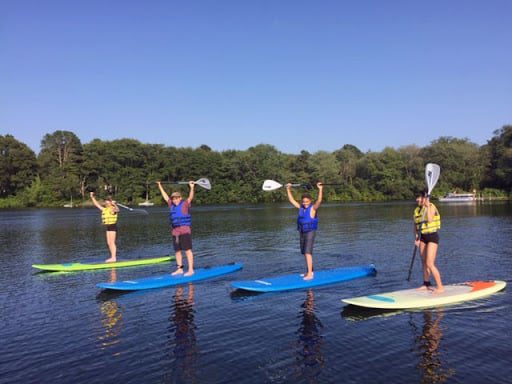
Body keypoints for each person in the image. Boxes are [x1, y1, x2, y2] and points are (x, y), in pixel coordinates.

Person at [157, 181, 195, 276]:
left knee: (187, 250)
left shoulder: (185, 204)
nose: (175, 200)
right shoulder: (171, 205)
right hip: (175, 231)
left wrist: (191, 187)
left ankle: (190, 270)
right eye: (173, 198)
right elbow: (165, 196)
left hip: (185, 230)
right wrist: (159, 185)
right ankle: (180, 269)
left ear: (180, 198)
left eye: (177, 198)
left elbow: (190, 197)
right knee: (177, 251)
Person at [286, 182, 323, 280]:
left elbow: (319, 201)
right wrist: (288, 189)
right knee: (304, 252)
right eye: (303, 202)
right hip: (302, 232)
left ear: (310, 201)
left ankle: (310, 274)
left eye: (307, 201)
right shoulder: (301, 208)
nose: (305, 203)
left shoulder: (313, 209)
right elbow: (291, 200)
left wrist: (320, 189)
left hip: (310, 232)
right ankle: (310, 271)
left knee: (308, 253)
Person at [414, 190, 444, 293]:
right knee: (423, 262)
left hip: (432, 236)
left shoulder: (431, 206)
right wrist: (417, 238)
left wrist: (427, 206)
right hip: (423, 237)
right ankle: (426, 284)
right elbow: (415, 226)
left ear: (424, 198)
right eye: (417, 198)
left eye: (419, 198)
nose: (417, 199)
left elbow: (430, 219)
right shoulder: (417, 210)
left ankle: (440, 287)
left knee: (430, 263)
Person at [90, 192, 120, 263]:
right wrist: (92, 197)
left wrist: (114, 204)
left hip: (113, 226)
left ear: (110, 202)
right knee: (109, 243)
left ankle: (114, 258)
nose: (106, 202)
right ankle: (112, 257)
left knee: (112, 242)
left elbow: (118, 210)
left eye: (107, 201)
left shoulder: (112, 209)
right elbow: (96, 204)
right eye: (106, 201)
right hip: (108, 227)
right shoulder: (105, 209)